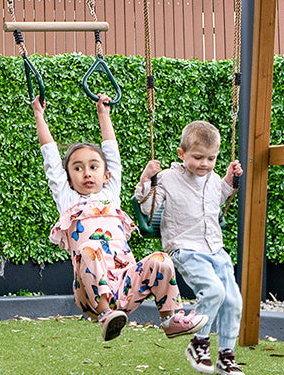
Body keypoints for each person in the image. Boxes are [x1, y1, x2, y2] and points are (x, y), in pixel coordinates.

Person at [32, 95, 207, 345]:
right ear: (68, 179)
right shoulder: (67, 199)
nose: (87, 173)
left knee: (161, 260)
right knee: (89, 249)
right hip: (90, 293)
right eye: (78, 169)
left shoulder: (110, 194)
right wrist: (39, 114)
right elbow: (50, 158)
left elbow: (112, 152)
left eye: (94, 167)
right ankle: (105, 316)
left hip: (126, 282)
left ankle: (171, 318)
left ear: (107, 175)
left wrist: (104, 114)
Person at [134, 121, 245, 375]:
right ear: (181, 154)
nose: (204, 164)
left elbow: (217, 200)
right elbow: (147, 207)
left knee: (233, 301)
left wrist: (229, 180)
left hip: (216, 249)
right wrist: (146, 178)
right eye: (198, 157)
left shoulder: (213, 178)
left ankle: (226, 356)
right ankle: (199, 343)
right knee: (214, 291)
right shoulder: (167, 179)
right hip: (186, 248)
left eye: (211, 158)